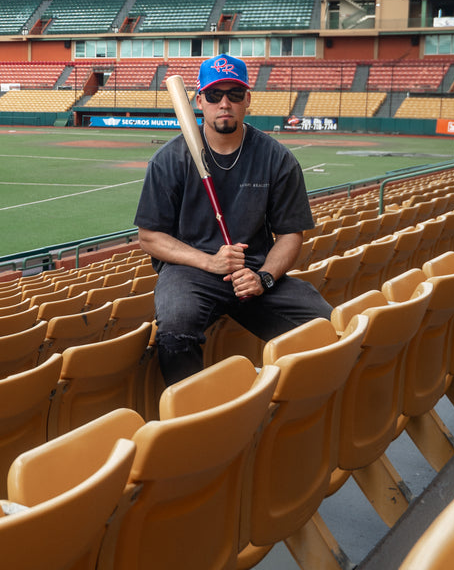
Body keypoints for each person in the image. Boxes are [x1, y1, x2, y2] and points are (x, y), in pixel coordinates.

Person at [134, 55, 332, 385]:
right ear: (199, 101)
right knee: (175, 331)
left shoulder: (276, 158)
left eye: (235, 95)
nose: (224, 103)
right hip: (190, 272)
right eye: (214, 95)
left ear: (247, 101)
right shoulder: (169, 159)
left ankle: (298, 405)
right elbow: (150, 236)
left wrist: (264, 278)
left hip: (253, 269)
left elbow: (290, 235)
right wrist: (210, 262)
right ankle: (193, 419)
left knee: (326, 324)